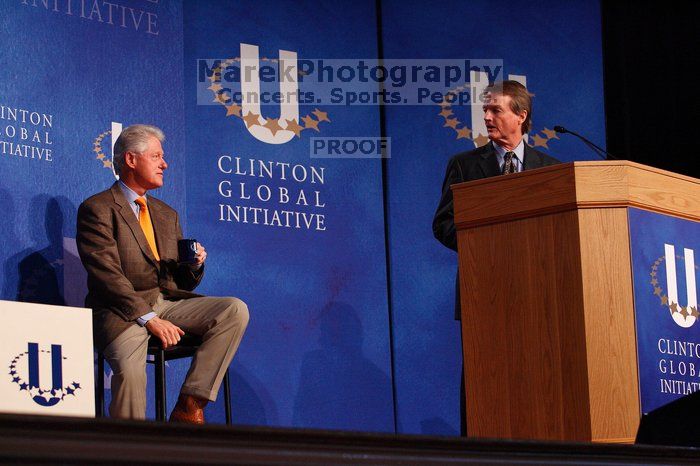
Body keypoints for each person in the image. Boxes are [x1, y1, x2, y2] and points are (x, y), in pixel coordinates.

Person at [77, 124, 249, 423]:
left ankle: (189, 406)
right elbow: (107, 275)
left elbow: (176, 281)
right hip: (120, 311)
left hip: (166, 303)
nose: (165, 164)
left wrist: (193, 265)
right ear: (131, 160)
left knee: (234, 309)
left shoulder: (166, 214)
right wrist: (149, 319)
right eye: (156, 156)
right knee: (131, 374)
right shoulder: (98, 208)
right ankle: (129, 448)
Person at [432, 80, 560, 435]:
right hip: (482, 292)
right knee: (482, 382)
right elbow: (443, 223)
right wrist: (483, 247)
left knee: (537, 376)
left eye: (495, 110)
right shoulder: (464, 165)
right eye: (485, 110)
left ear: (521, 115)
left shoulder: (550, 169)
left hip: (537, 293)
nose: (486, 117)